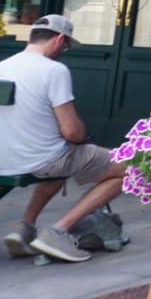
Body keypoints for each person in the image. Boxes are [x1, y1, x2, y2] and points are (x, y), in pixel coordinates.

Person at [0, 14, 128, 263]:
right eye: (66, 46)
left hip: (5, 158)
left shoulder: (3, 66)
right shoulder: (54, 70)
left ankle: (24, 227)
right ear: (59, 39)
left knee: (59, 157)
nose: (64, 51)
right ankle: (57, 231)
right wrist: (81, 137)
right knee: (130, 169)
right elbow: (72, 132)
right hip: (41, 160)